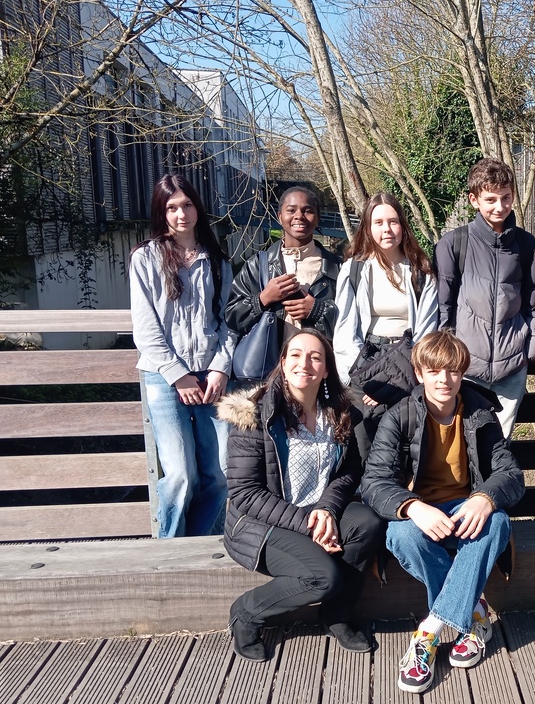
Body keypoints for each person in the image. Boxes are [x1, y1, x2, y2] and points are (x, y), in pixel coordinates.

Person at [360, 330, 523, 694]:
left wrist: (485, 497)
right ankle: (475, 612)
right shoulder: (400, 416)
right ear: (419, 373)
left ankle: (428, 634)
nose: (443, 380)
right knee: (401, 534)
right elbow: (374, 481)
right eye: (433, 371)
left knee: (496, 522)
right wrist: (412, 505)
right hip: (423, 510)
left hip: (465, 508)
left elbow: (510, 473)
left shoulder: (480, 412)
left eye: (452, 371)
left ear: (462, 373)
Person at [218, 329, 386, 661]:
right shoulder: (256, 416)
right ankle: (246, 613)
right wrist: (310, 523)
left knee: (368, 522)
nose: (304, 363)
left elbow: (350, 469)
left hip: (316, 511)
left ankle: (336, 614)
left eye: (315, 357)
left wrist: (326, 509)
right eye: (295, 355)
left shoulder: (338, 412)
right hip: (260, 523)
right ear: (282, 363)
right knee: (322, 577)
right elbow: (245, 493)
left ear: (326, 369)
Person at [130, 174, 234, 538]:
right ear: (161, 212)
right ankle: (171, 548)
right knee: (180, 475)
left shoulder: (216, 260)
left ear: (197, 208)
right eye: (172, 207)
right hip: (164, 378)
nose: (181, 214)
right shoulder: (145, 258)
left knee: (220, 472)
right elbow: (145, 329)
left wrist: (220, 368)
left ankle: (202, 544)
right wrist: (178, 374)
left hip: (211, 377)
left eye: (187, 205)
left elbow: (229, 323)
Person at [434, 158, 535, 438]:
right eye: (490, 199)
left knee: (500, 446)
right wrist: (449, 357)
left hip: (512, 367)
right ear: (474, 200)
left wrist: (530, 343)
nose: (500, 206)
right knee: (463, 444)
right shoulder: (454, 243)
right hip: (466, 368)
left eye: (506, 198)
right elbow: (444, 307)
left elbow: (532, 301)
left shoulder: (526, 244)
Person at [333, 193, 439, 451]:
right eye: (378, 223)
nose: (387, 229)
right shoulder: (354, 269)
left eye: (393, 221)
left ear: (403, 225)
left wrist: (399, 378)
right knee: (365, 447)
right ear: (368, 228)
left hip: (407, 364)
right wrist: (368, 380)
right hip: (366, 362)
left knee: (405, 447)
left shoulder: (421, 271)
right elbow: (344, 329)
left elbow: (426, 332)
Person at [226, 187, 344, 381]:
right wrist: (263, 299)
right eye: (291, 210)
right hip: (268, 373)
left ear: (317, 217)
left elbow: (353, 323)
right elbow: (232, 317)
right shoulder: (258, 265)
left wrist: (317, 310)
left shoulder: (338, 268)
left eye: (307, 210)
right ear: (280, 217)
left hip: (317, 374)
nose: (299, 216)